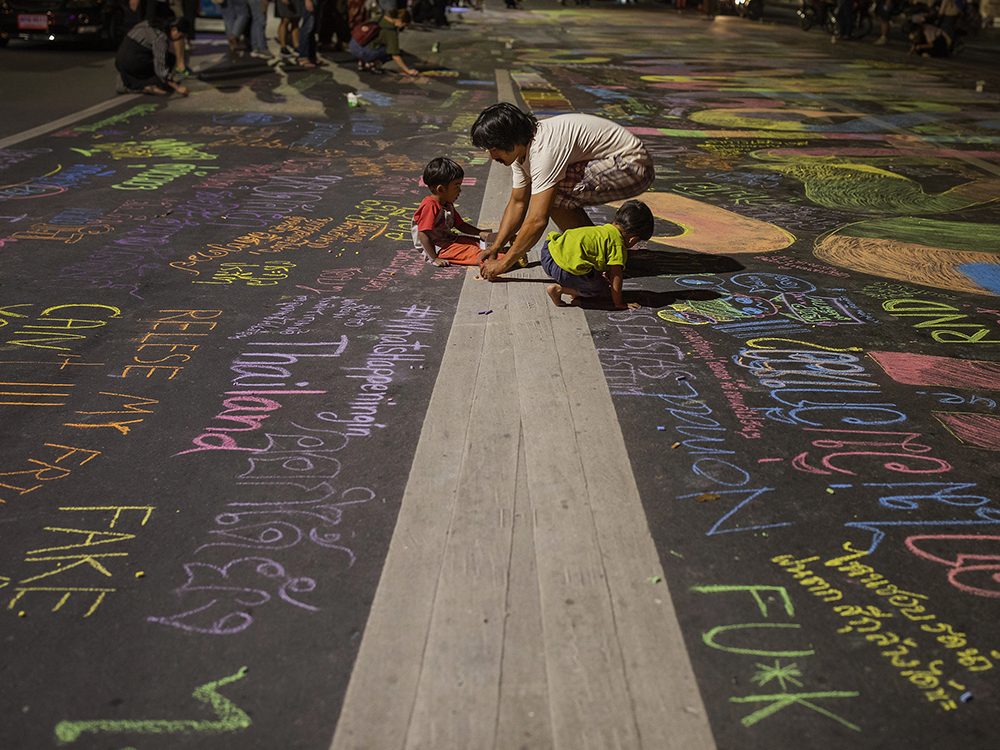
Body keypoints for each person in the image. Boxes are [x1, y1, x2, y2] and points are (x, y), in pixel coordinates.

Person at [470, 103, 653, 282]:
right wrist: (497, 246)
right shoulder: (522, 153)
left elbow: (537, 220)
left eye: (494, 149)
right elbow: (518, 202)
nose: (492, 157)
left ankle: (601, 254)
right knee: (548, 194)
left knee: (550, 197)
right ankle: (601, 255)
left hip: (633, 166)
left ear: (510, 139)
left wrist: (503, 264)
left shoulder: (543, 149)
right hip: (613, 162)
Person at [543, 199, 653, 310]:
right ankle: (560, 289)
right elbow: (616, 275)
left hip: (549, 253)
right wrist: (619, 303)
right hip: (564, 270)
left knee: (590, 264)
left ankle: (574, 286)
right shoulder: (618, 245)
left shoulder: (603, 229)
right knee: (598, 287)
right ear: (632, 239)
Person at [412, 158, 492, 267]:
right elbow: (423, 234)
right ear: (440, 189)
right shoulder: (430, 205)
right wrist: (434, 259)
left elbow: (460, 224)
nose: (459, 191)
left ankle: (502, 253)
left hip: (450, 240)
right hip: (439, 247)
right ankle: (505, 260)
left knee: (478, 243)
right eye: (456, 186)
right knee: (471, 253)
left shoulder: (447, 203)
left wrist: (479, 233)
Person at [115, 15, 192, 96]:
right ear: (174, 30)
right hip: (132, 63)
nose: (179, 39)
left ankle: (127, 80)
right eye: (181, 36)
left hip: (120, 61)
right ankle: (144, 85)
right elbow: (161, 69)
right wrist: (177, 87)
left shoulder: (150, 24)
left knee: (162, 58)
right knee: (170, 59)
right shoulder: (161, 37)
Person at [349, 8, 420, 75]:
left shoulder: (379, 17)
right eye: (403, 25)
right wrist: (407, 70)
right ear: (400, 20)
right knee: (391, 51)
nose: (402, 27)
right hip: (363, 52)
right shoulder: (390, 31)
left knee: (370, 41)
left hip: (353, 45)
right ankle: (373, 63)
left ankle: (361, 62)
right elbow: (395, 54)